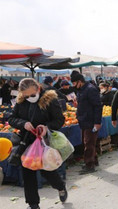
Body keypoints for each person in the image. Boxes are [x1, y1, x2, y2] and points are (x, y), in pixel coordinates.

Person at [8, 78, 67, 209]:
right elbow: (11, 118)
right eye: (26, 96)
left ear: (38, 89)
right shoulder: (21, 101)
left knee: (48, 170)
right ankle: (33, 204)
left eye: (32, 95)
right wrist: (23, 123)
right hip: (26, 142)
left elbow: (60, 120)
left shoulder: (50, 100)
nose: (30, 98)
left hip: (44, 142)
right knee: (28, 173)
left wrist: (46, 127)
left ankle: (60, 187)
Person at [71, 71, 102, 174]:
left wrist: (97, 122)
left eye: (74, 83)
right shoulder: (81, 90)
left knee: (89, 143)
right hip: (83, 120)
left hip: (91, 121)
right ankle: (94, 160)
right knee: (89, 142)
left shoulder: (90, 89)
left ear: (80, 81)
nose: (74, 86)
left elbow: (98, 106)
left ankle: (89, 165)